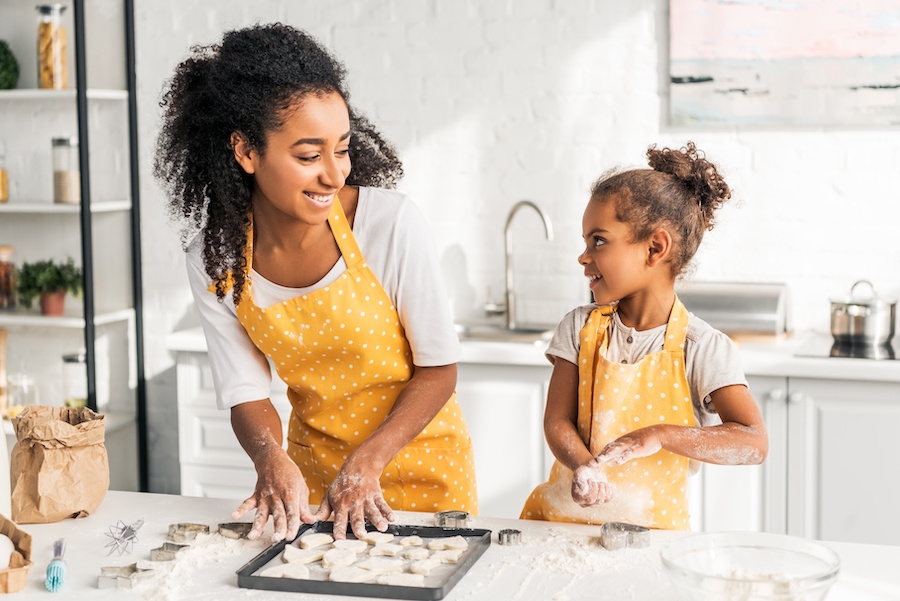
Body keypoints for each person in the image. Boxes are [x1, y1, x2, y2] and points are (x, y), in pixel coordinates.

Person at [154, 23, 477, 542]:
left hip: (426, 475)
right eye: (309, 156)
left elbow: (438, 371)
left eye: (342, 149)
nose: (334, 174)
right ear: (246, 152)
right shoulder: (216, 258)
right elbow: (245, 390)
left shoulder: (388, 225)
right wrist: (268, 456)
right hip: (318, 485)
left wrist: (368, 462)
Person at [521, 142, 768, 529]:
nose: (583, 257)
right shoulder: (580, 327)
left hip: (652, 536)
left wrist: (661, 435)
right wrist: (584, 467)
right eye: (585, 242)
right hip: (563, 524)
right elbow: (557, 421)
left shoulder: (700, 348)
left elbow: (752, 443)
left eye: (598, 240)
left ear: (655, 247)